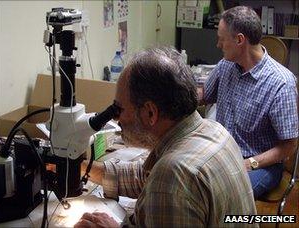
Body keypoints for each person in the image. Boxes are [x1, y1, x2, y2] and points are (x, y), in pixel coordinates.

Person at [75, 47, 257, 227]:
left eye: (119, 109)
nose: (115, 118)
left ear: (150, 112)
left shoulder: (174, 174)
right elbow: (144, 176)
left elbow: (165, 179)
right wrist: (79, 168)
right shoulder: (214, 130)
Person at [199, 6, 298, 199]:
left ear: (239, 40)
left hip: (260, 164)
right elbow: (204, 95)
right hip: (223, 155)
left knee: (222, 197)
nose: (218, 44)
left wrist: (249, 163)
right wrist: (174, 91)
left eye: (221, 38)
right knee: (190, 182)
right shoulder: (225, 65)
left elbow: (289, 145)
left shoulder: (281, 83)